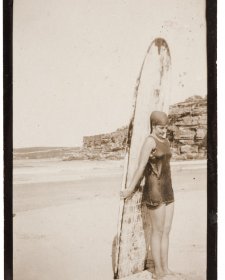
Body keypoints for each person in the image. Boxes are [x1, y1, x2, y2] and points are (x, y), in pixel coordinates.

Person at [120, 111, 175, 280]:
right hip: (154, 189)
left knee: (166, 231)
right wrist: (130, 189)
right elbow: (140, 167)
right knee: (157, 232)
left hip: (167, 188)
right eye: (160, 128)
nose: (163, 130)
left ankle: (166, 268)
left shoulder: (165, 140)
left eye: (165, 127)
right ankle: (158, 271)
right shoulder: (149, 141)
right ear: (153, 125)